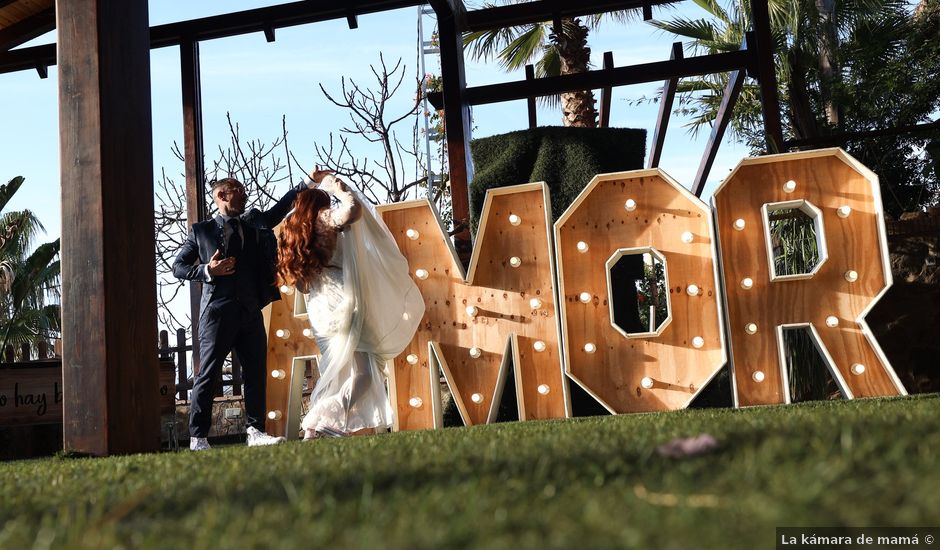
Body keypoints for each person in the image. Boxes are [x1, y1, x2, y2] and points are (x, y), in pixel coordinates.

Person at [172, 174, 324, 450]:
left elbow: (278, 211)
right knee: (208, 373)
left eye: (243, 190)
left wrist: (306, 183)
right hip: (217, 313)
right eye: (237, 191)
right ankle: (198, 437)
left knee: (256, 372)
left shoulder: (253, 222)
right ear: (221, 196)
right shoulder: (201, 231)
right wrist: (207, 270)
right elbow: (178, 267)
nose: (244, 194)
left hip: (251, 310)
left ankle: (256, 431)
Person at [277, 173, 425, 438]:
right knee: (366, 372)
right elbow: (353, 211)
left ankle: (317, 427)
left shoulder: (294, 235)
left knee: (339, 368)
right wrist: (340, 189)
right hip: (343, 300)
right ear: (319, 205)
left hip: (319, 308)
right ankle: (322, 418)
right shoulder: (324, 218)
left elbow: (301, 286)